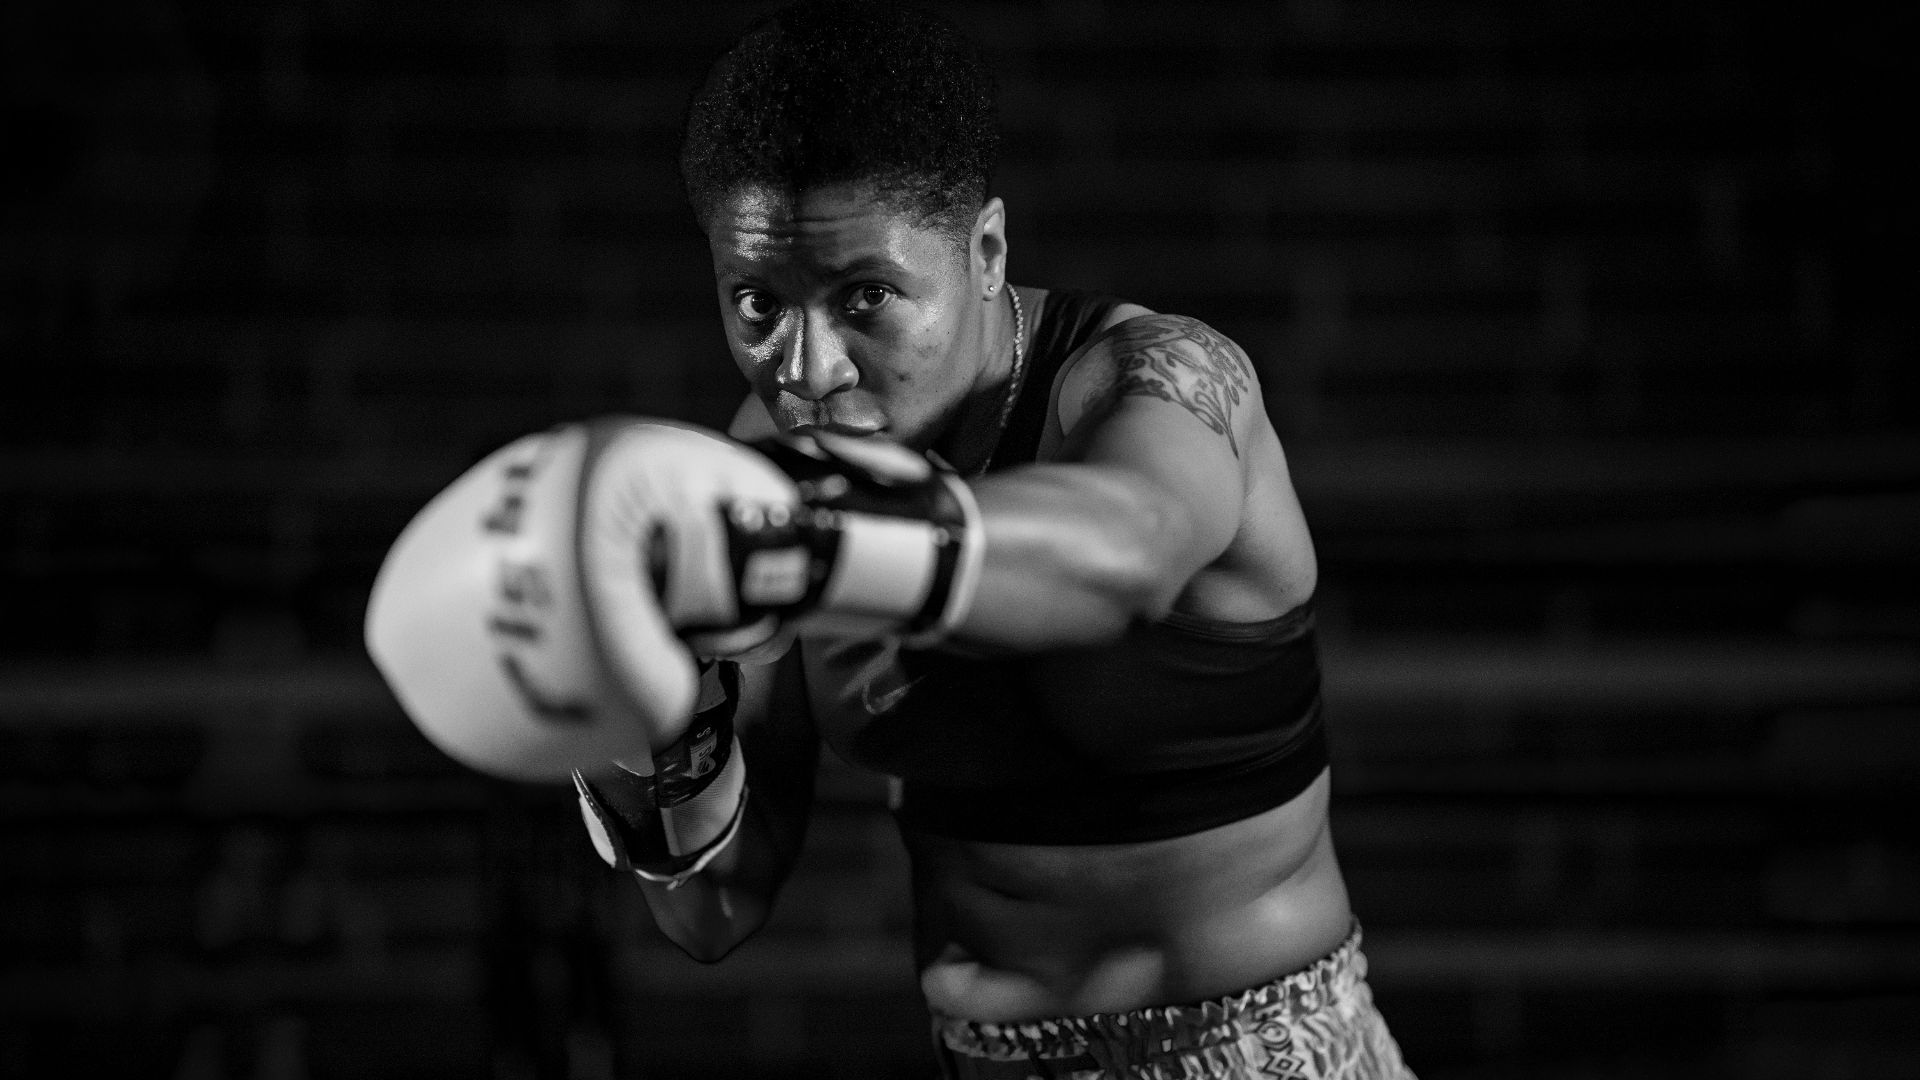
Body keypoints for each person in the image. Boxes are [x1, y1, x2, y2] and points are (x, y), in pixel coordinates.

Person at [366, 2, 1415, 1077]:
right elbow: (716, 912)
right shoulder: (752, 471)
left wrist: (805, 552)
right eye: (757, 304)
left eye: (865, 294)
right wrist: (651, 723)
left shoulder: (1152, 380)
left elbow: (1129, 545)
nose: (809, 370)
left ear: (987, 250)